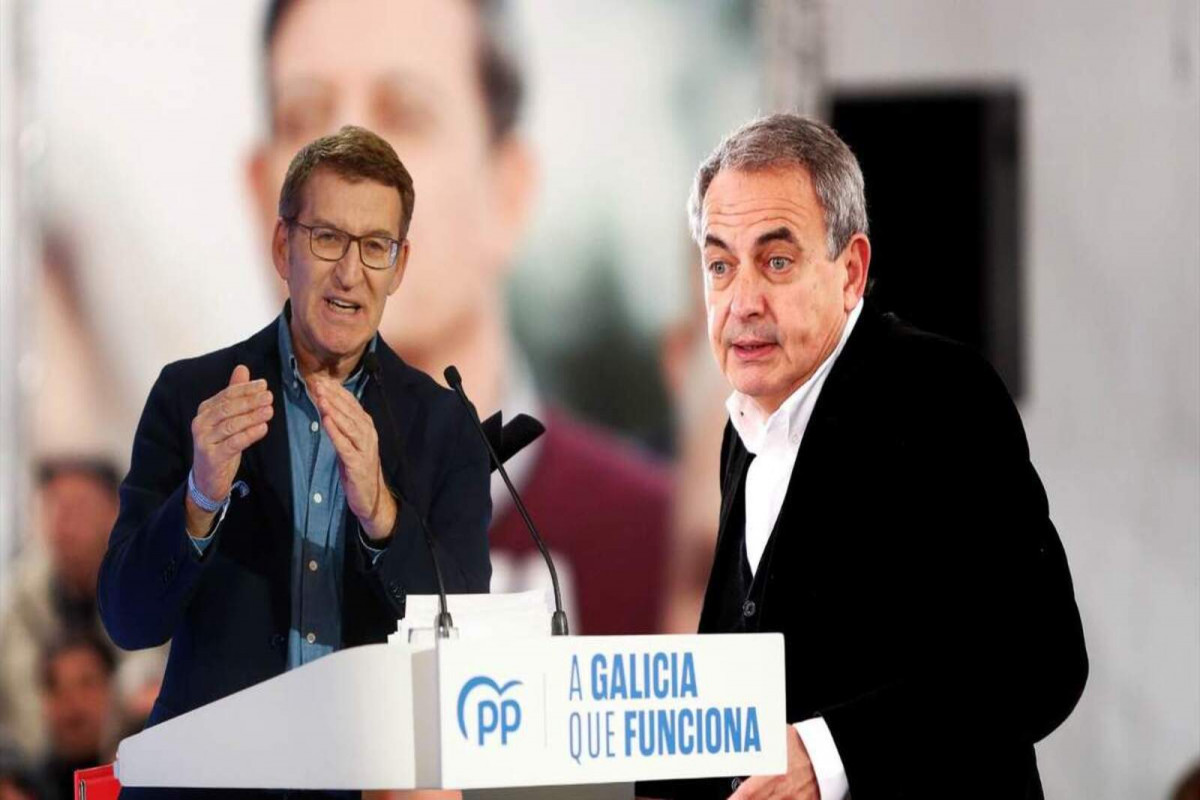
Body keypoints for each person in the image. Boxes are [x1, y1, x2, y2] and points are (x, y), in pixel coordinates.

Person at [638, 114, 1088, 799]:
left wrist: (828, 756)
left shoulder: (939, 394)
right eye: (720, 266)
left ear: (850, 271)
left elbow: (1041, 658)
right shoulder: (746, 432)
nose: (742, 301)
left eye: (776, 261)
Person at [246, 0, 671, 635]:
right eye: (302, 119)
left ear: (508, 190)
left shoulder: (666, 551)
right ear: (261, 199)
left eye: (405, 114)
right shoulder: (195, 533)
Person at [99, 125, 491, 797]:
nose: (350, 273)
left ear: (399, 266)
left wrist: (382, 516)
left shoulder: (445, 425)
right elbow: (128, 620)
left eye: (375, 246)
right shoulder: (193, 397)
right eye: (327, 237)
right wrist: (199, 500)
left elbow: (464, 640)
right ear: (284, 246)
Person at [0, 458, 164, 757]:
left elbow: (152, 673)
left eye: (78, 507)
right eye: (52, 507)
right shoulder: (19, 600)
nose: (63, 522)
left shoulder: (152, 581)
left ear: (115, 512)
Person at [34, 632, 118, 800]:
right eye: (56, 687)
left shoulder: (139, 781)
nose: (73, 700)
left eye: (86, 683)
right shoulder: (27, 790)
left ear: (111, 688)